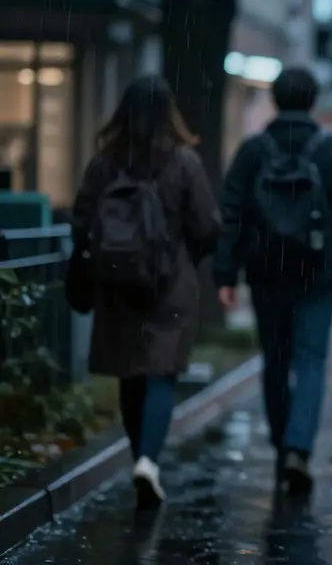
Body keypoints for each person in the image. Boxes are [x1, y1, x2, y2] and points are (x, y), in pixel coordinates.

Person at [213, 67, 332, 494]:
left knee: (276, 361)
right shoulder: (331, 151)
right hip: (319, 274)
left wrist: (226, 273)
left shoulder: (253, 151)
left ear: (274, 99)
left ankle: (282, 445)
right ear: (313, 101)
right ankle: (299, 449)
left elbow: (230, 214)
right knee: (311, 361)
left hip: (266, 272)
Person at [69, 75, 220, 508]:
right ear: (168, 111)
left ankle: (139, 457)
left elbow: (81, 220)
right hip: (169, 284)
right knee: (161, 371)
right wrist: (185, 255)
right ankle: (148, 461)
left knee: (130, 373)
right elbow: (207, 225)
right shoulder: (183, 162)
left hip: (117, 284)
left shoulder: (106, 162)